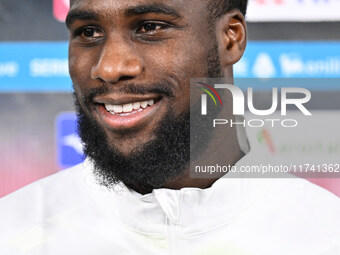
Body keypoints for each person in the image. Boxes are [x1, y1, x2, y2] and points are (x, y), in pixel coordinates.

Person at [1, 0, 340, 254]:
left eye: (150, 27)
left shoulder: (326, 233)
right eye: (89, 32)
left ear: (230, 39)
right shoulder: (12, 232)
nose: (110, 67)